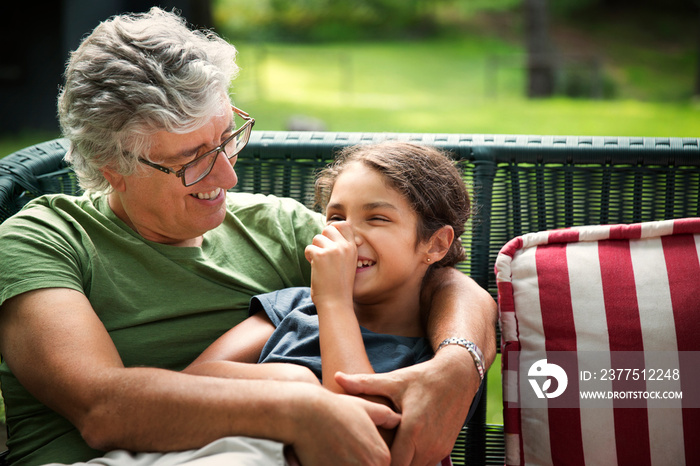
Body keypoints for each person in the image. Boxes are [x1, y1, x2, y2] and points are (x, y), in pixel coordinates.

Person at [0, 7, 496, 466]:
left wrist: (458, 363)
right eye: (192, 161)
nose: (227, 177)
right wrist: (294, 402)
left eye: (226, 140)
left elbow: (439, 280)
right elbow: (102, 408)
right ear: (114, 167)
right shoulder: (44, 240)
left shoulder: (273, 227)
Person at [183, 141, 485, 461]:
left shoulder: (434, 367)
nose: (347, 236)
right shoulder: (293, 308)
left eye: (377, 218)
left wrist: (335, 303)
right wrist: (290, 385)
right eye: (336, 217)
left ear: (435, 245)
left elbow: (362, 448)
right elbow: (186, 389)